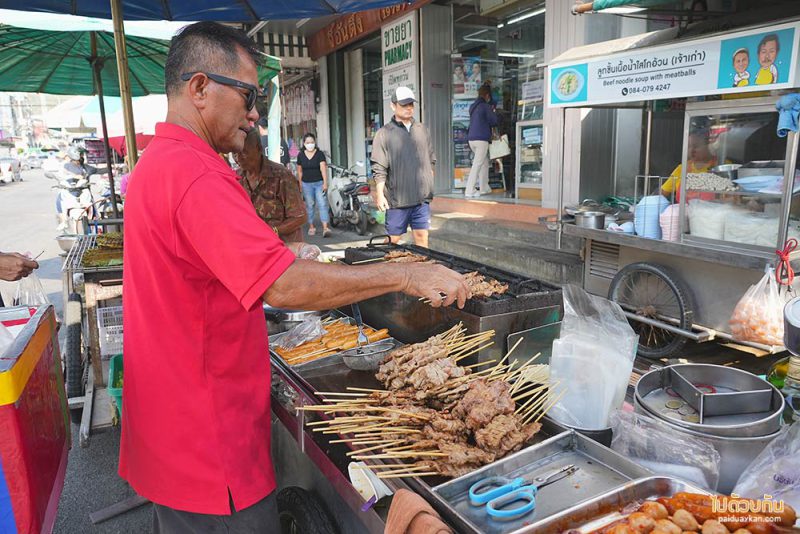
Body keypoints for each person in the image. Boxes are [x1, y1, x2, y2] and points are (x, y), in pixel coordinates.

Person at [120, 22, 469, 533]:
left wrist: (276, 249)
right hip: (208, 446)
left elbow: (199, 265)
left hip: (172, 431)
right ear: (199, 88)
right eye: (248, 94)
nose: (256, 112)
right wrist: (407, 274)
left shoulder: (159, 162)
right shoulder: (196, 173)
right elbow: (283, 287)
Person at [371, 87, 436, 248]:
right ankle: (381, 266)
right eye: (404, 105)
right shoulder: (384, 133)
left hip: (421, 198)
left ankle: (422, 272)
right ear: (393, 106)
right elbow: (379, 167)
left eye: (411, 105)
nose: (409, 108)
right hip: (397, 199)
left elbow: (430, 159)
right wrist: (380, 194)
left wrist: (428, 184)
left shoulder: (421, 130)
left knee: (422, 237)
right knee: (393, 239)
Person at [236, 127, 307, 243]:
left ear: (258, 149)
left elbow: (300, 217)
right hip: (252, 247)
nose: (238, 158)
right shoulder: (236, 178)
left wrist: (273, 231)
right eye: (235, 153)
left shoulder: (282, 177)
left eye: (244, 153)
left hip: (283, 248)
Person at [661, 131, 720, 202]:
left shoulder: (721, 166)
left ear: (708, 146)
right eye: (689, 147)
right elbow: (663, 193)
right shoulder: (682, 168)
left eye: (696, 146)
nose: (692, 150)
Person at [465, 84, 498, 198]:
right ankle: (470, 190)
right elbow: (494, 121)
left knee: (484, 163)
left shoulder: (473, 106)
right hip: (481, 139)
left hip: (471, 139)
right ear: (487, 95)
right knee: (477, 164)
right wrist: (494, 111)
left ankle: (484, 187)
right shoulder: (485, 106)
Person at [296, 133, 331, 237]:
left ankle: (325, 227)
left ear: (315, 143)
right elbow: (300, 171)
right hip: (306, 184)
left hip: (319, 183)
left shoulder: (320, 154)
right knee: (310, 205)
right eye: (308, 142)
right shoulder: (300, 155)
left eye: (312, 142)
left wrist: (325, 183)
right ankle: (311, 226)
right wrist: (300, 184)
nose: (310, 144)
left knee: (322, 204)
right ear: (304, 143)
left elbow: (323, 169)